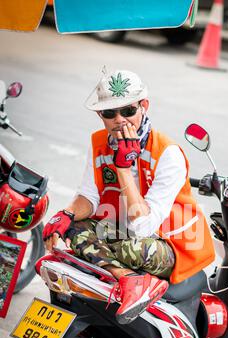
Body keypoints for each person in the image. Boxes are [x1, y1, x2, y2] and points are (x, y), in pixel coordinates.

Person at [42, 68, 215, 324]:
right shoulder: (99, 142)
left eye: (128, 110)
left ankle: (132, 278)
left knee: (127, 246)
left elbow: (142, 227)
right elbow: (89, 197)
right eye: (110, 113)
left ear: (144, 105)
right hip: (120, 230)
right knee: (71, 230)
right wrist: (64, 215)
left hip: (170, 245)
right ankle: (128, 278)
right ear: (100, 115)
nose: (120, 120)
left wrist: (123, 167)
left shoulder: (169, 154)